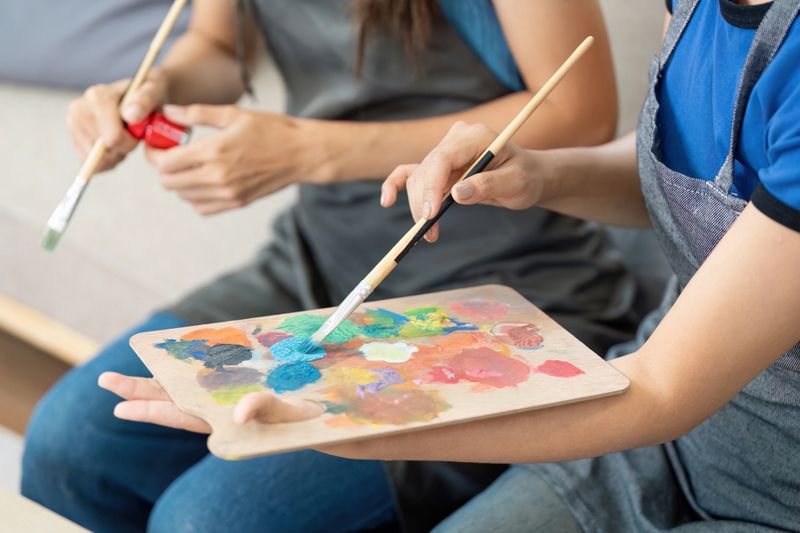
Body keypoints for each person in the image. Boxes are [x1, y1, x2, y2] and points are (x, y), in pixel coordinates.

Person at [100, 0, 800, 531]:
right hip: (665, 444)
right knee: (83, 445)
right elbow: (705, 187)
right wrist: (543, 176)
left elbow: (661, 388)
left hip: (762, 474)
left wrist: (341, 416)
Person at [22, 1, 634, 532]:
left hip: (500, 293)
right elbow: (217, 46)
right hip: (314, 261)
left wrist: (305, 150)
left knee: (209, 520)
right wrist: (155, 89)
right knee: (71, 444)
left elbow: (580, 113)